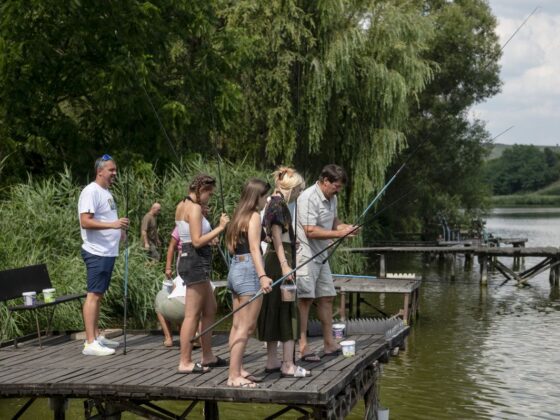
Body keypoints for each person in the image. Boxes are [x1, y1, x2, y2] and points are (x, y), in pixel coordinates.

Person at [296, 164, 358, 361]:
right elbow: (310, 230)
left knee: (327, 296)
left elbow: (334, 223)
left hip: (321, 255)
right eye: (336, 186)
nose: (338, 190)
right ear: (325, 182)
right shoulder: (307, 197)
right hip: (305, 256)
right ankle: (303, 347)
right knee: (305, 300)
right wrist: (338, 233)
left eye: (340, 187)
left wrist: (347, 228)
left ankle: (329, 343)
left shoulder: (333, 198)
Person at [257, 167, 311, 378]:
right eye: (298, 191)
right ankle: (288, 364)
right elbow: (277, 237)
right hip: (280, 260)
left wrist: (291, 239)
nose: (299, 195)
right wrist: (286, 264)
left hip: (272, 258)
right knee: (288, 310)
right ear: (291, 189)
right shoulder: (279, 205)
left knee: (272, 308)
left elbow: (267, 235)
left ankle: (272, 361)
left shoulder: (271, 203)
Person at [176, 174, 230, 374]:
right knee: (192, 315)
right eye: (210, 194)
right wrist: (220, 228)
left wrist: (209, 231)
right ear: (201, 190)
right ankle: (185, 361)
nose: (210, 198)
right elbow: (197, 241)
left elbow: (190, 234)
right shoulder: (195, 208)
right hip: (195, 261)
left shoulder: (183, 204)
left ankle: (207, 356)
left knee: (210, 307)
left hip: (192, 259)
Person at [78, 154, 129, 356]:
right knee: (93, 295)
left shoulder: (106, 192)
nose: (115, 173)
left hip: (108, 251)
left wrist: (120, 231)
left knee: (99, 295)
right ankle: (90, 343)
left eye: (115, 170)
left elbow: (107, 217)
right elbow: (85, 221)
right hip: (96, 252)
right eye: (111, 170)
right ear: (100, 171)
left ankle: (97, 336)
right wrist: (113, 225)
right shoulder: (91, 191)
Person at [226, 179, 273, 387]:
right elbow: (255, 248)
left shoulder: (238, 215)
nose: (266, 201)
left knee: (237, 325)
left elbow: (230, 247)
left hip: (236, 267)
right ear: (257, 197)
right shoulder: (254, 215)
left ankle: (237, 369)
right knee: (246, 327)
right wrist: (263, 276)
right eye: (265, 197)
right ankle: (233, 376)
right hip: (249, 271)